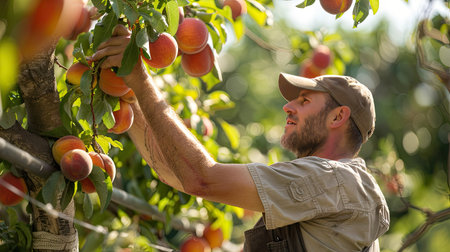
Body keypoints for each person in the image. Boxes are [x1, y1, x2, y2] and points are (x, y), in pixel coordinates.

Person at [92, 25, 390, 252]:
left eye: (304, 101)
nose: (287, 106)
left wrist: (142, 82)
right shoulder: (329, 184)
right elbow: (178, 174)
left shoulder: (336, 180)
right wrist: (130, 97)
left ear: (337, 117)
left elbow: (201, 179)